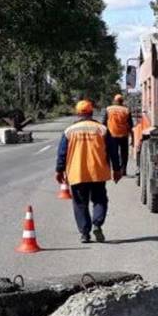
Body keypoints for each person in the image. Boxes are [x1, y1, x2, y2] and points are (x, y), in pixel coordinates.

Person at [56, 100, 111, 243]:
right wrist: (117, 168)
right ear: (91, 112)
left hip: (77, 172)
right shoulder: (102, 129)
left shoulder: (69, 131)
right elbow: (112, 151)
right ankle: (97, 224)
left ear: (77, 114)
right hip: (98, 172)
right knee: (99, 200)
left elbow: (62, 153)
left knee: (80, 203)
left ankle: (85, 233)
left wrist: (59, 170)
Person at [104, 94, 133, 182]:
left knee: (112, 153)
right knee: (124, 154)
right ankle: (123, 170)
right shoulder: (126, 110)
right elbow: (130, 124)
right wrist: (131, 136)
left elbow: (104, 122)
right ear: (122, 101)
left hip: (111, 135)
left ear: (114, 100)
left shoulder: (108, 109)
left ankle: (110, 170)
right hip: (123, 135)